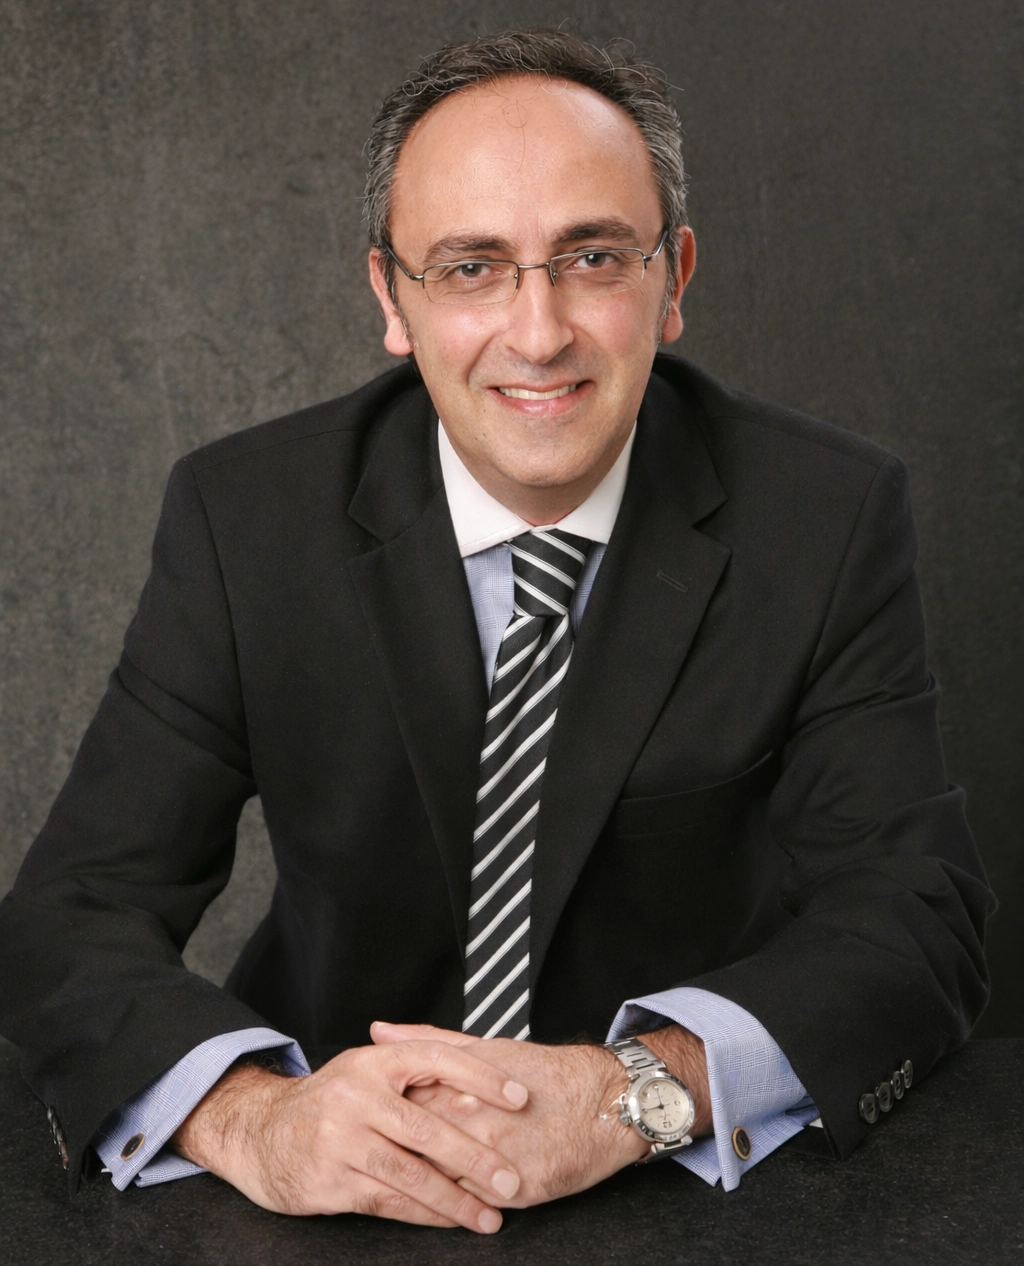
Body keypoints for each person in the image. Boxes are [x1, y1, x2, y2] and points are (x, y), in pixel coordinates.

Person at [0, 30, 993, 1236]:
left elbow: (913, 916)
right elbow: (75, 908)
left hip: (685, 1190)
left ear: (673, 277)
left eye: (590, 257)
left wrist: (637, 1091)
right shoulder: (243, 519)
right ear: (391, 300)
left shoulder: (824, 516)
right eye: (471, 268)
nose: (537, 333)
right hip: (321, 1173)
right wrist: (257, 1119)